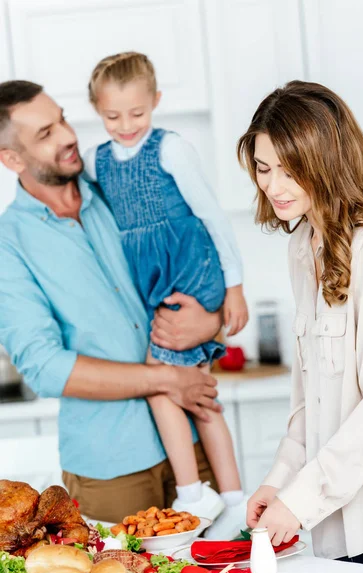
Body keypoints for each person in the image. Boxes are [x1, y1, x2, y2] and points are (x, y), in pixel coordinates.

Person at [0, 79, 225, 525]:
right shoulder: (9, 244)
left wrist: (211, 319)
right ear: (12, 158)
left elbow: (192, 252)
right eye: (45, 134)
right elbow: (45, 367)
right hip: (111, 466)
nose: (68, 136)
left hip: (193, 439)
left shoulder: (118, 186)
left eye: (61, 119)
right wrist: (165, 379)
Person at [83, 51, 249, 535]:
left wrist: (233, 289)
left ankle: (195, 494)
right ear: (97, 109)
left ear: (155, 102)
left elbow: (212, 217)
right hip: (157, 285)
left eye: (137, 113)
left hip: (191, 275)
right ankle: (233, 498)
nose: (126, 125)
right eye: (113, 116)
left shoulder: (170, 148)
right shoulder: (98, 161)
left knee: (162, 387)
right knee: (194, 394)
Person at [239, 80, 363, 569]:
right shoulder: (301, 246)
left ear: (326, 165)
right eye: (264, 169)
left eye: (291, 171)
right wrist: (279, 480)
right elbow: (310, 397)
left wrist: (303, 497)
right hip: (336, 515)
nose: (273, 186)